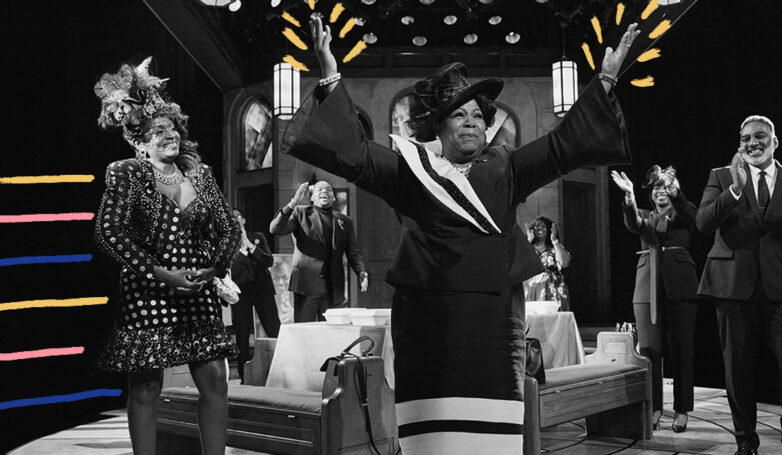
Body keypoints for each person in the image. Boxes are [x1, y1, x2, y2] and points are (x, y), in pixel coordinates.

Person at [279, 14, 639, 453]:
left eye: (477, 116)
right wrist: (330, 73)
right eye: (458, 114)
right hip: (426, 319)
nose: (470, 122)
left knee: (492, 435)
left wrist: (606, 79)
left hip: (494, 319)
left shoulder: (508, 166)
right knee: (433, 437)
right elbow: (355, 154)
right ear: (439, 126)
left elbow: (562, 146)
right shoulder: (411, 170)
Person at [92, 57, 239, 455]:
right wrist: (160, 273)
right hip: (148, 293)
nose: (170, 133)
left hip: (198, 292)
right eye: (158, 130)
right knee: (145, 386)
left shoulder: (200, 174)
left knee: (216, 380)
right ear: (139, 142)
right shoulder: (126, 173)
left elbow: (229, 227)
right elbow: (109, 233)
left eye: (172, 126)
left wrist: (214, 268)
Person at [696, 115, 782, 455]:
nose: (752, 143)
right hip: (731, 287)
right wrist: (734, 190)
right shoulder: (721, 176)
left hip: (780, 288)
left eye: (759, 136)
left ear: (774, 141)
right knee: (737, 368)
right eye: (746, 138)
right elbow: (703, 222)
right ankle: (746, 441)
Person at [611, 165, 699, 433]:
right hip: (646, 288)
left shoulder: (683, 212)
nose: (661, 191)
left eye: (666, 187)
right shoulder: (644, 216)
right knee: (650, 352)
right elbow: (632, 223)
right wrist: (629, 196)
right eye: (657, 187)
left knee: (682, 351)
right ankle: (654, 407)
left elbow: (692, 217)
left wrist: (676, 193)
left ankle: (681, 409)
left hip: (680, 287)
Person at [270, 180, 368, 322]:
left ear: (333, 197)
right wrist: (292, 203)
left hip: (333, 288)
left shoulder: (345, 221)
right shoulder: (300, 213)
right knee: (305, 330)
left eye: (328, 189)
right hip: (306, 285)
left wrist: (361, 271)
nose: (324, 191)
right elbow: (275, 229)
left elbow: (353, 252)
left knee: (331, 330)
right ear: (312, 197)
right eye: (319, 189)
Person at [230, 209, 280, 382]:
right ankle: (245, 376)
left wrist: (251, 247)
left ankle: (281, 370)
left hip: (262, 290)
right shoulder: (225, 241)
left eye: (237, 216)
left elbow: (268, 261)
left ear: (243, 220)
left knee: (274, 329)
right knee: (242, 335)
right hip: (240, 292)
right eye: (231, 216)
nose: (235, 219)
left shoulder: (258, 236)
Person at [523, 216, 571, 310]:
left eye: (543, 226)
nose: (540, 228)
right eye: (537, 226)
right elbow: (518, 261)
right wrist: (529, 240)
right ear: (533, 229)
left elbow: (564, 263)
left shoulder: (554, 247)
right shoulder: (528, 247)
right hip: (532, 290)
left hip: (552, 290)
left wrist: (554, 241)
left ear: (549, 229)